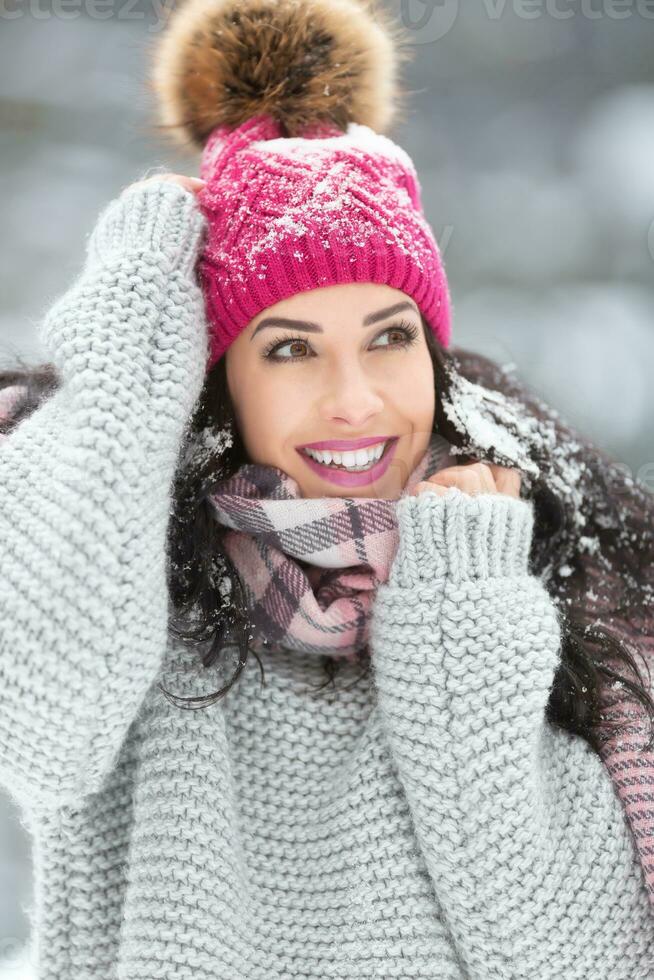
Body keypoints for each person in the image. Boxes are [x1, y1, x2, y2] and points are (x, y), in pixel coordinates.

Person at [1, 0, 653, 977]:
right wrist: (138, 302)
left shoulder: (541, 565)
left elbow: (589, 956)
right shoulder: (115, 563)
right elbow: (47, 730)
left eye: (389, 336)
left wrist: (458, 612)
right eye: (291, 349)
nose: (357, 400)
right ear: (221, 375)